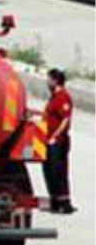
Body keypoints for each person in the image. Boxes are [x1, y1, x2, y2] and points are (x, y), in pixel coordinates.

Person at [44, 68, 76, 214]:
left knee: (58, 171)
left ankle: (64, 203)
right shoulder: (53, 97)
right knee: (49, 171)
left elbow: (65, 120)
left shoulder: (63, 97)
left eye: (48, 79)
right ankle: (55, 201)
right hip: (49, 140)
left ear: (55, 80)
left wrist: (54, 137)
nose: (47, 81)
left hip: (58, 141)